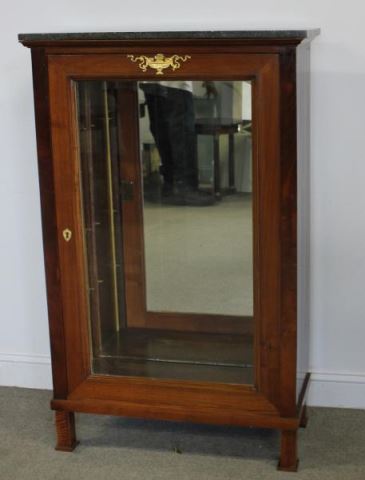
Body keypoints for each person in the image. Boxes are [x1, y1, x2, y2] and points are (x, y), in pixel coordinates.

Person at [140, 81, 215, 206]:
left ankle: (170, 186)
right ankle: (185, 188)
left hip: (151, 80)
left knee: (162, 130)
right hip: (176, 82)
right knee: (182, 133)